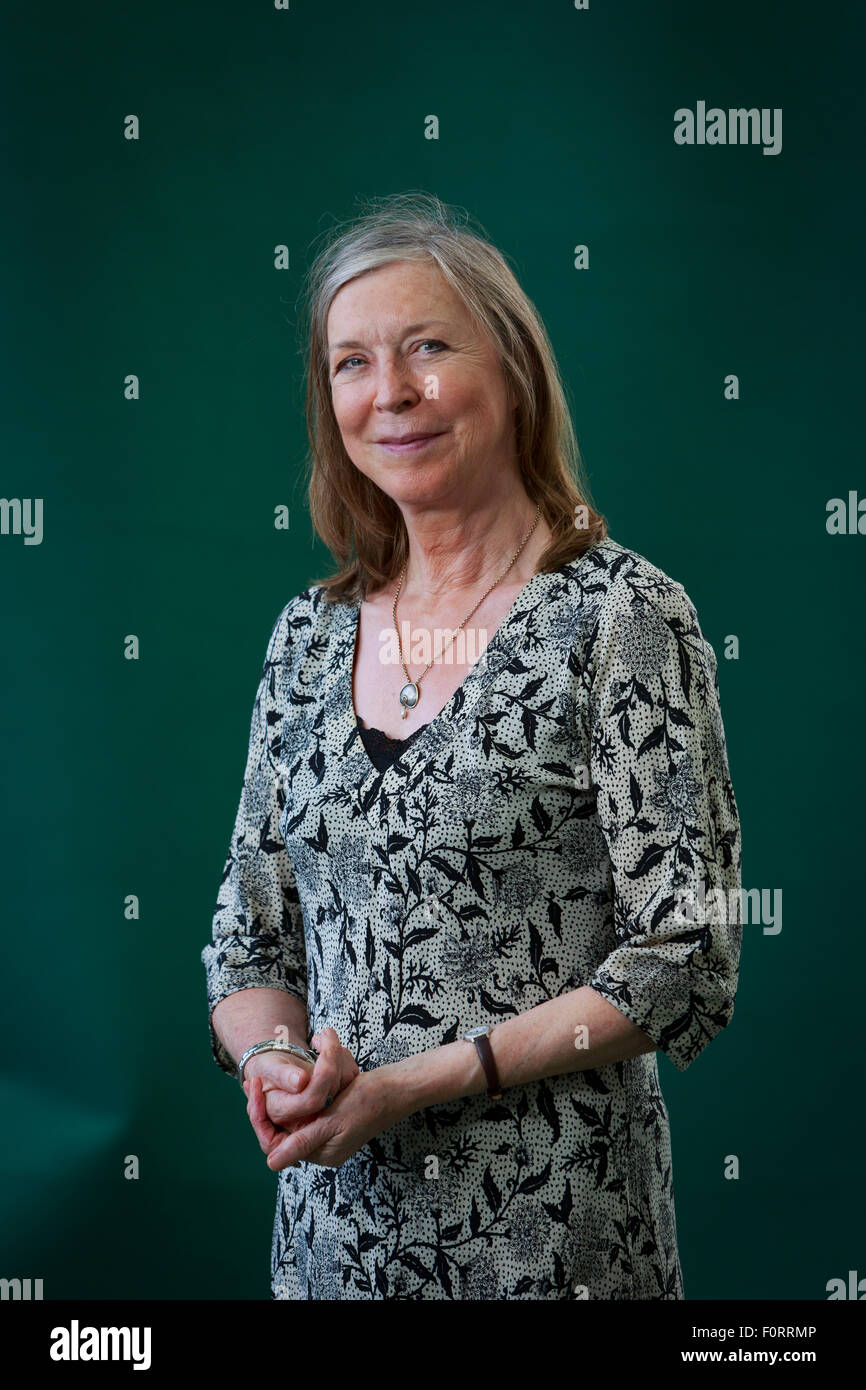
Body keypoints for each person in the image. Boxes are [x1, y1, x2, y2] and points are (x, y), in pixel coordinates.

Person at [201, 192, 742, 1301]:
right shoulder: (307, 637)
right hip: (332, 1257)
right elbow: (248, 943)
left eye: (425, 347)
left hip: (553, 1246)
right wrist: (274, 1063)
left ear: (511, 370)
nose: (387, 392)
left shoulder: (620, 618)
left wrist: (414, 1083)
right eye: (350, 363)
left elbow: (686, 953)